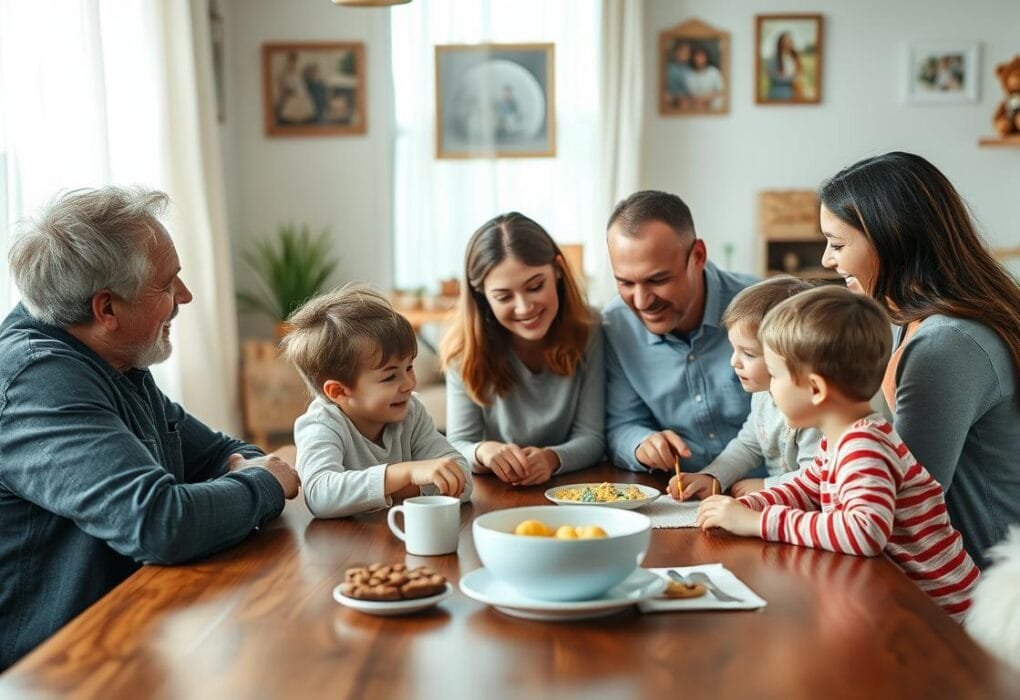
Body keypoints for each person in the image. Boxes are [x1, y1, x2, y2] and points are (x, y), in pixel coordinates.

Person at [0, 187, 300, 670]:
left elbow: (221, 452)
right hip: (52, 671)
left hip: (132, 633)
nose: (185, 295)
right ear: (107, 309)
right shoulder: (39, 381)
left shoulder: (112, 356)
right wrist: (263, 483)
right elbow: (159, 523)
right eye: (167, 284)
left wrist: (244, 475)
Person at [696, 286, 979, 621]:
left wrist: (759, 522)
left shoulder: (864, 446)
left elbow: (864, 532)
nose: (770, 388)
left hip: (943, 614)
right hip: (901, 603)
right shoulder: (841, 439)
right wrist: (749, 506)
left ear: (815, 389)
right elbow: (808, 488)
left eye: (775, 375)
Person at [818, 151, 1020, 568]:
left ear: (892, 240)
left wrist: (767, 514)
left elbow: (901, 500)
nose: (827, 260)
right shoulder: (911, 322)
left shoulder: (946, 345)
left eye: (837, 244)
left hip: (978, 582)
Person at [441, 212, 605, 486]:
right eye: (503, 296)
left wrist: (552, 458)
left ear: (558, 270)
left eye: (536, 286)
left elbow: (593, 437)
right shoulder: (464, 351)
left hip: (575, 487)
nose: (524, 308)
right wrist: (483, 451)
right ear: (482, 295)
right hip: (498, 491)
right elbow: (458, 444)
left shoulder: (591, 329)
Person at [603, 190, 758, 478]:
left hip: (771, 491)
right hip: (677, 494)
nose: (641, 302)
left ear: (698, 256)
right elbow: (622, 424)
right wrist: (641, 443)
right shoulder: (616, 325)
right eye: (625, 283)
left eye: (658, 279)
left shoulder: (765, 309)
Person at [282, 285, 471, 519]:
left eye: (409, 367)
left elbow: (461, 476)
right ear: (338, 391)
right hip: (346, 541)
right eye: (390, 376)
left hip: (400, 532)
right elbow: (320, 495)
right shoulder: (321, 424)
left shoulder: (411, 411)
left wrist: (386, 491)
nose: (409, 384)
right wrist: (407, 474)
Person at [667, 275, 821, 500]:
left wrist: (767, 486)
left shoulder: (814, 412)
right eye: (734, 349)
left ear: (795, 357)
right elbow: (749, 445)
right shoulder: (763, 395)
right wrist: (713, 477)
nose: (734, 362)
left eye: (748, 354)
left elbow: (818, 480)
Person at [685, 46, 724, 111]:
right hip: (695, 103)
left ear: (706, 58)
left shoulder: (714, 71)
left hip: (712, 102)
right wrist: (699, 101)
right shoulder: (689, 74)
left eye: (702, 57)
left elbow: (721, 90)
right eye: (697, 57)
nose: (699, 59)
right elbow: (689, 94)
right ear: (693, 58)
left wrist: (706, 99)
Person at [767, 31, 801, 100]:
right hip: (779, 92)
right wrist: (793, 78)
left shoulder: (795, 57)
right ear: (780, 44)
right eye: (785, 42)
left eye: (789, 41)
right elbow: (774, 77)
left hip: (795, 91)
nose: (787, 44)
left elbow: (799, 73)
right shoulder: (774, 59)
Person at [665, 41, 693, 109]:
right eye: (682, 51)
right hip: (670, 100)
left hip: (687, 101)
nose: (684, 54)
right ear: (676, 52)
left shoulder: (691, 70)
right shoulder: (668, 68)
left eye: (687, 52)